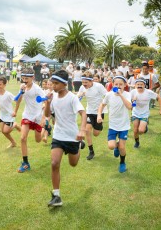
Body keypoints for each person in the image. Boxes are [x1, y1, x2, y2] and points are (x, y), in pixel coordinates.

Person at [44, 70, 86, 207]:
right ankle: (56, 196)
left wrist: (82, 130)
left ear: (64, 84)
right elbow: (47, 114)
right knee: (54, 163)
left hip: (72, 136)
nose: (53, 86)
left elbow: (83, 113)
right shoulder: (53, 97)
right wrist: (48, 102)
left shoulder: (72, 98)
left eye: (56, 83)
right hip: (58, 135)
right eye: (52, 83)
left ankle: (79, 146)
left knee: (73, 164)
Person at [97, 76, 132, 173]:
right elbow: (102, 105)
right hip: (113, 125)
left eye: (121, 84)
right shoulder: (109, 95)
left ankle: (122, 163)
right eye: (116, 84)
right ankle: (116, 146)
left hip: (124, 125)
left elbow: (129, 107)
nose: (118, 86)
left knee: (122, 147)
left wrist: (121, 95)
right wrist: (99, 115)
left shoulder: (127, 94)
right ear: (113, 84)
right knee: (111, 146)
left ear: (125, 85)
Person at [13, 68, 45, 173]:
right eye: (23, 78)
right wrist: (15, 111)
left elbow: (46, 102)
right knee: (22, 138)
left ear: (33, 77)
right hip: (26, 115)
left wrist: (44, 118)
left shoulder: (37, 89)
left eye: (27, 78)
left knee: (38, 140)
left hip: (37, 117)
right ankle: (26, 163)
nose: (24, 80)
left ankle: (46, 128)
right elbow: (19, 100)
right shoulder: (22, 87)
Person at [77, 71, 107, 160]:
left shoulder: (99, 86)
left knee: (96, 133)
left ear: (91, 81)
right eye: (83, 82)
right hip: (89, 111)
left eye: (86, 82)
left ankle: (99, 127)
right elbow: (77, 97)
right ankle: (91, 151)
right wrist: (80, 94)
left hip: (99, 112)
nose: (84, 84)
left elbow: (106, 96)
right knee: (87, 130)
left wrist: (100, 109)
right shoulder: (82, 87)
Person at [131, 78, 161, 148]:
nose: (139, 86)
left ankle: (145, 127)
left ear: (144, 85)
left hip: (144, 114)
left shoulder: (148, 92)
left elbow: (159, 98)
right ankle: (137, 142)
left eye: (141, 84)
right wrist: (133, 100)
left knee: (141, 131)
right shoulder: (133, 92)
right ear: (135, 85)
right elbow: (129, 103)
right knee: (135, 130)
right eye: (138, 84)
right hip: (135, 113)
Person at [0, 77, 21, 148]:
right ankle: (13, 142)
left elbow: (17, 101)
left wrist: (15, 112)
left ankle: (15, 124)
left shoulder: (8, 94)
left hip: (10, 116)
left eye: (0, 84)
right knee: (3, 131)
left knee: (6, 131)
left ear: (4, 85)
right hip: (2, 116)